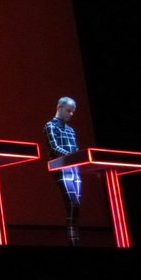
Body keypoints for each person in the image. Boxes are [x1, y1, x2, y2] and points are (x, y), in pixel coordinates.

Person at [44, 96, 81, 246]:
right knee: (73, 203)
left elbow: (76, 149)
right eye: (68, 110)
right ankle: (73, 240)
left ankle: (74, 239)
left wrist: (79, 159)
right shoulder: (50, 125)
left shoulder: (71, 130)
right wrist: (73, 157)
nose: (71, 114)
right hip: (61, 169)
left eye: (73, 111)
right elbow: (54, 147)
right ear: (59, 107)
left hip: (74, 169)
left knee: (76, 205)